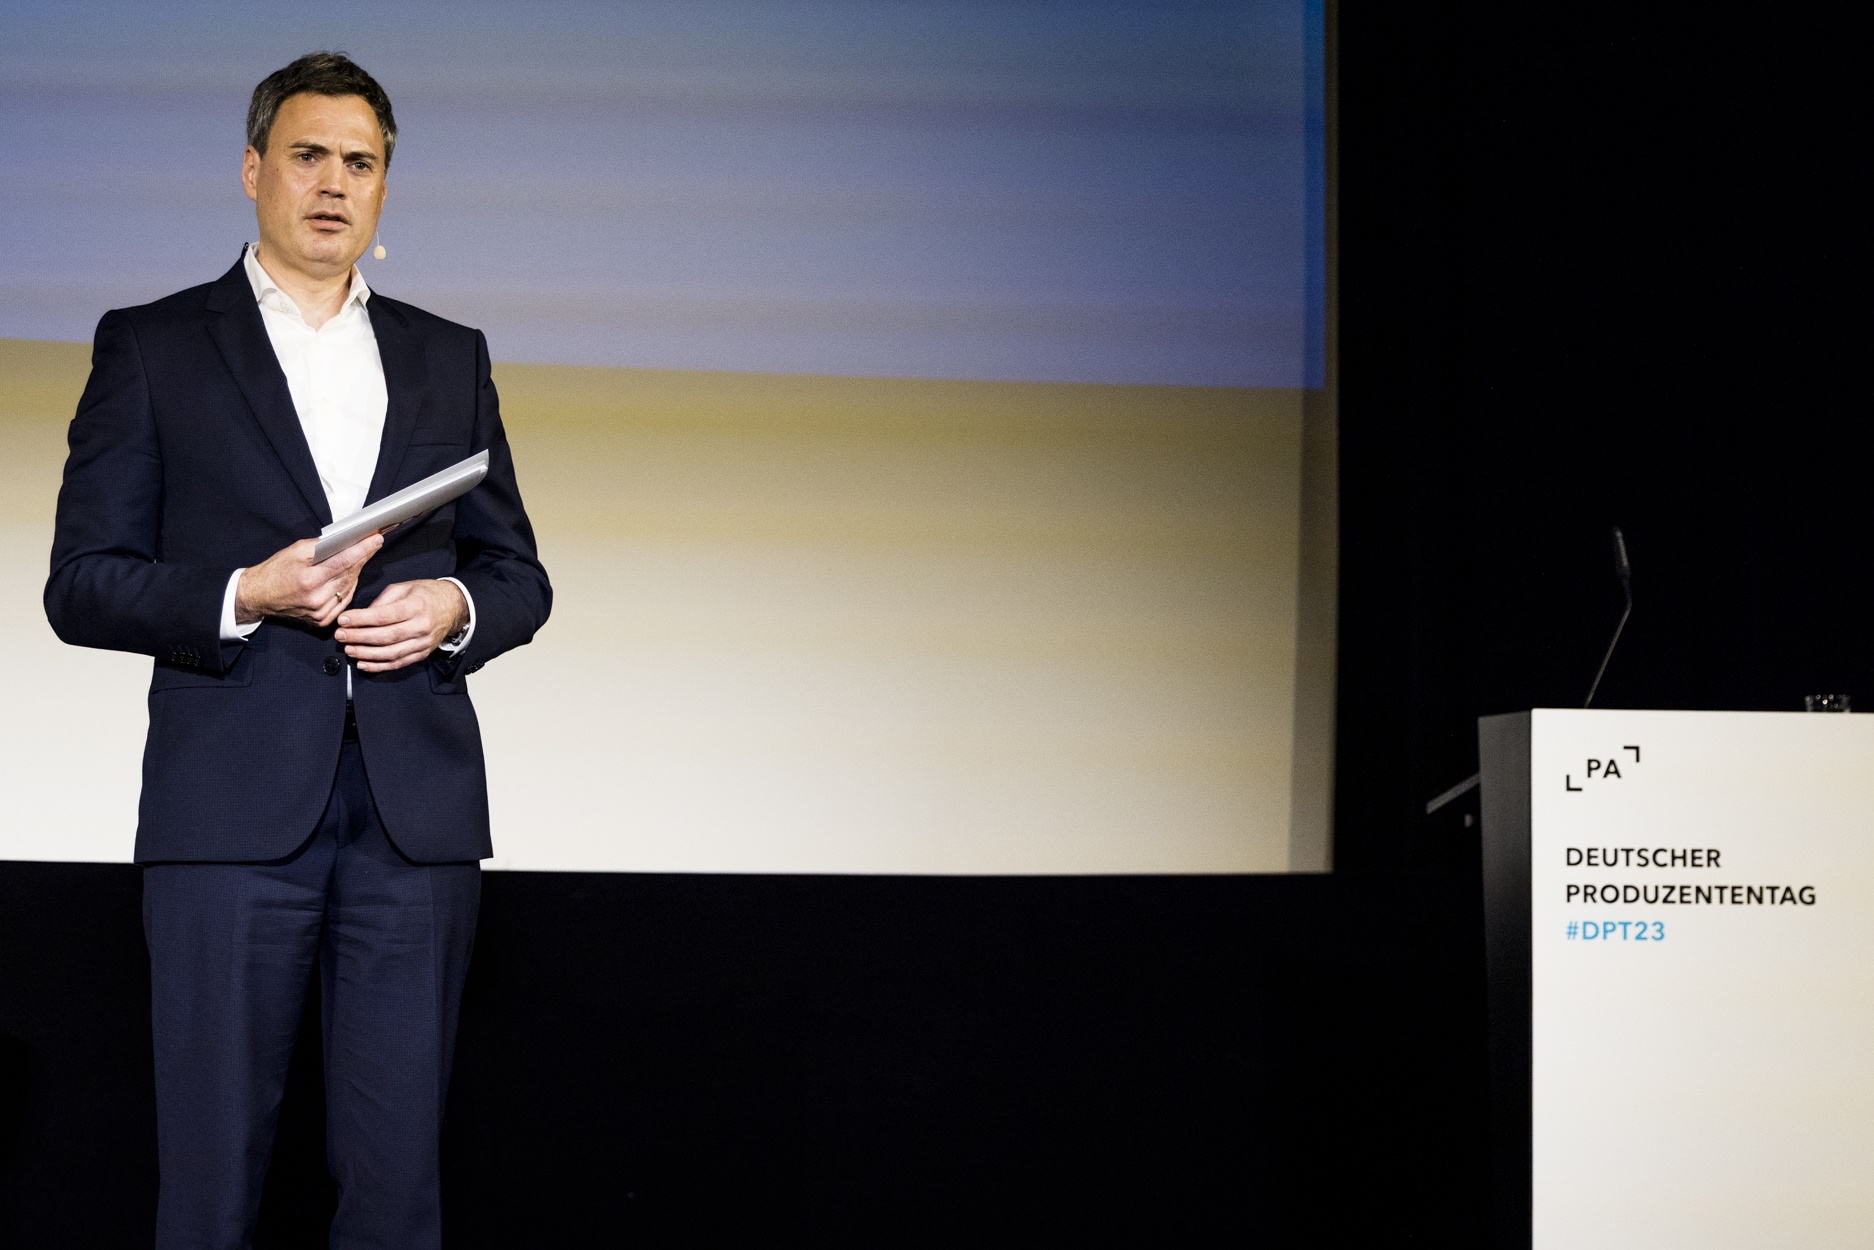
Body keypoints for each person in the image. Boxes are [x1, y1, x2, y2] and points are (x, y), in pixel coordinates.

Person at [44, 51, 551, 1248]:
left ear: (384, 187)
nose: (334, 183)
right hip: (228, 813)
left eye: (360, 163)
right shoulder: (154, 346)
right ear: (252, 168)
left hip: (412, 816)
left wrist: (452, 610)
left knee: (397, 1188)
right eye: (308, 155)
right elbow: (83, 583)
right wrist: (244, 592)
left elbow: (516, 573)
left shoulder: (448, 354)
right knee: (211, 1185)